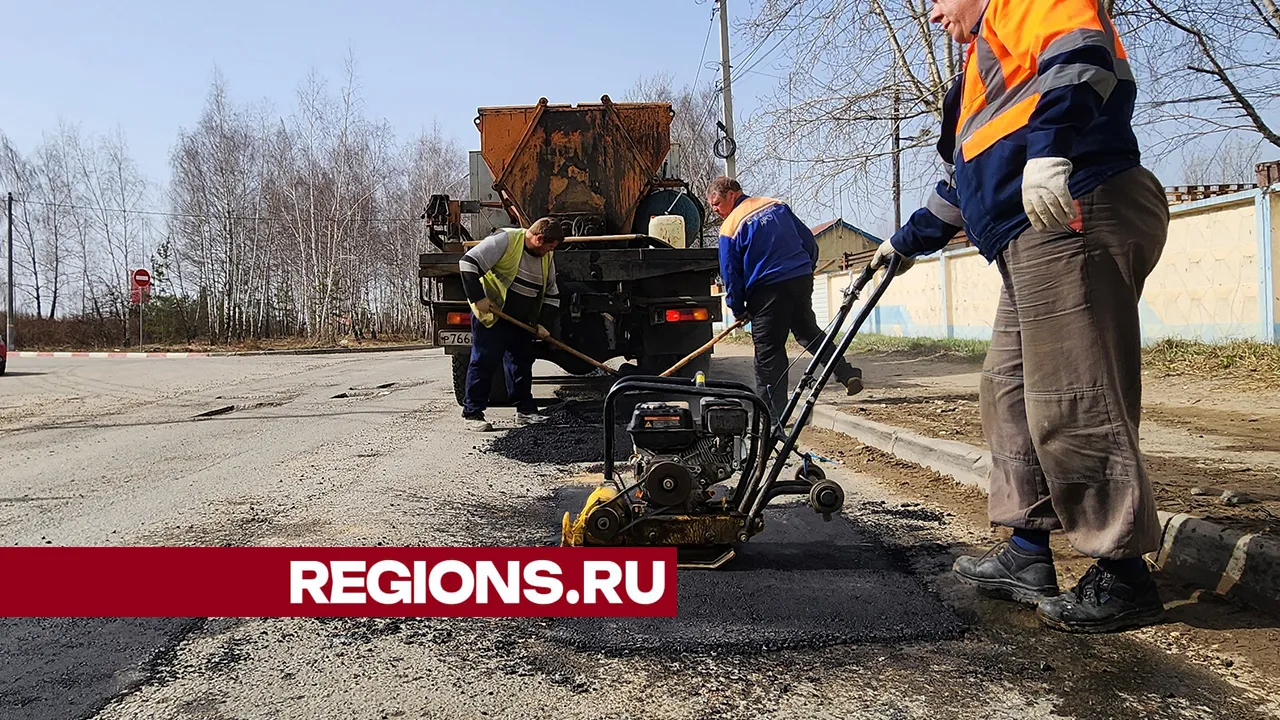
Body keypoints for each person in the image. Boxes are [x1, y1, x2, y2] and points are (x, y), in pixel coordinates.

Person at [872, 0, 1170, 633]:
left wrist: (1051, 148)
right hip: (1026, 233)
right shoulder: (979, 69)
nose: (932, 16)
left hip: (1073, 207)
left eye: (937, 0)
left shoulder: (1022, 3)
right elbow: (963, 181)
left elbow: (1081, 55)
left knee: (1072, 395)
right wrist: (904, 242)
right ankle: (1027, 552)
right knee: (1006, 390)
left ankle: (1122, 571)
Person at [707, 176, 864, 426]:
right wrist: (805, 269)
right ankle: (846, 373)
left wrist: (738, 307)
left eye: (716, 203)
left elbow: (730, 272)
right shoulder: (776, 205)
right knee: (809, 333)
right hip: (799, 279)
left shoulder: (730, 227)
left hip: (766, 290)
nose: (715, 210)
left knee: (769, 354)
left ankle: (772, 418)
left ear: (732, 194)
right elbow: (808, 241)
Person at [458, 217, 564, 432]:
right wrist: (478, 298)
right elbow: (467, 263)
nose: (549, 252)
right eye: (549, 247)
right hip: (495, 316)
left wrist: (544, 323)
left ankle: (525, 411)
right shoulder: (505, 239)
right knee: (484, 362)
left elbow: (552, 293)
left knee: (521, 364)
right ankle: (472, 413)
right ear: (539, 239)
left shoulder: (546, 256)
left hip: (522, 320)